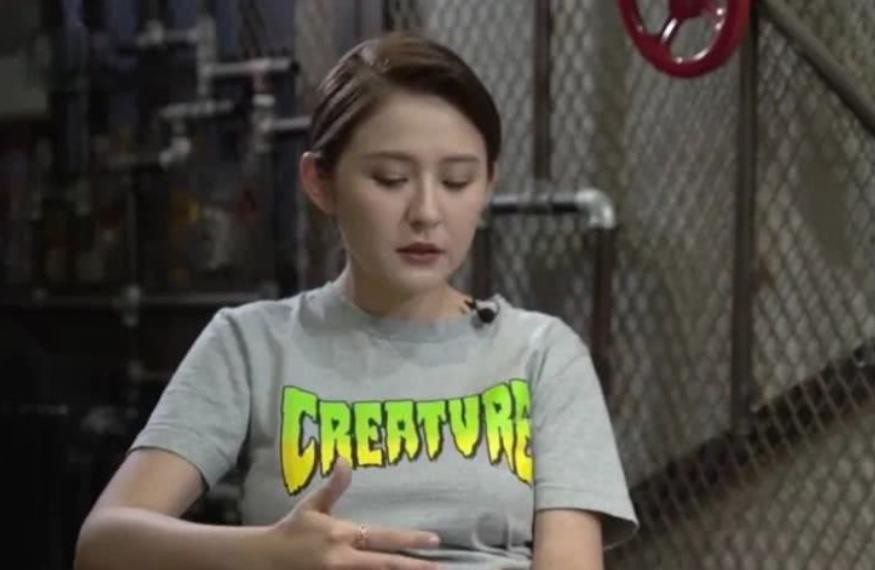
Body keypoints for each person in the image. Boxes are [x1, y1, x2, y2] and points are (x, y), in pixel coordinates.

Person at [74, 31, 638, 570]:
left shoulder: (542, 354)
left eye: (457, 181)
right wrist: (265, 556)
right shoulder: (251, 345)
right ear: (321, 182)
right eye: (390, 179)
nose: (426, 212)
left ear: (489, 183)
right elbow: (104, 544)